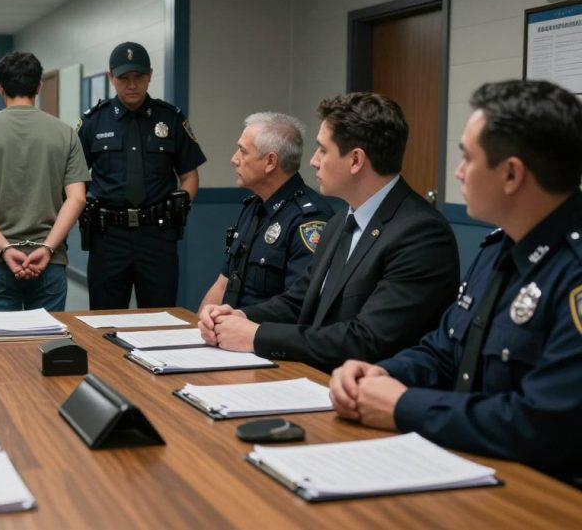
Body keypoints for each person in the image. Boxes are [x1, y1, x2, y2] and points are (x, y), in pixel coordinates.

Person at [330, 80, 582, 485]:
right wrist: (382, 374)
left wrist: (405, 406)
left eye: (467, 157)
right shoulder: (498, 247)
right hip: (468, 467)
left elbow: (544, 424)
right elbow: (445, 350)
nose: (458, 172)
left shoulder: (573, 271)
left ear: (511, 174)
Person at [199, 92, 459, 373]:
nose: (313, 161)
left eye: (323, 150)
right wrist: (238, 317)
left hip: (372, 397)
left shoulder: (421, 234)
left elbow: (367, 341)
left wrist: (255, 336)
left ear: (356, 160)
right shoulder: (340, 221)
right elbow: (298, 301)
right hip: (319, 381)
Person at [0, 51, 90, 311]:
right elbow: (78, 197)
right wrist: (47, 248)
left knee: (0, 348)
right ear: (38, 86)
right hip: (50, 262)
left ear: (0, 87)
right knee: (48, 347)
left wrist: (5, 249)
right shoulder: (65, 134)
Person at [78, 41, 206, 310]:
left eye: (139, 77)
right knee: (104, 319)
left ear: (149, 75)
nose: (132, 85)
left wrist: (182, 203)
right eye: (124, 78)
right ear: (112, 77)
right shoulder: (93, 122)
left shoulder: (170, 119)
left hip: (157, 235)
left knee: (160, 315)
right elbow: (75, 177)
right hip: (108, 236)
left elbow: (189, 175)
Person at [198, 112, 333, 312]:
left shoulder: (310, 220)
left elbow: (296, 308)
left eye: (243, 152)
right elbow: (223, 283)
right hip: (227, 331)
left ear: (270, 162)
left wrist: (234, 323)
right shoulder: (253, 207)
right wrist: (198, 328)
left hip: (261, 336)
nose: (234, 160)